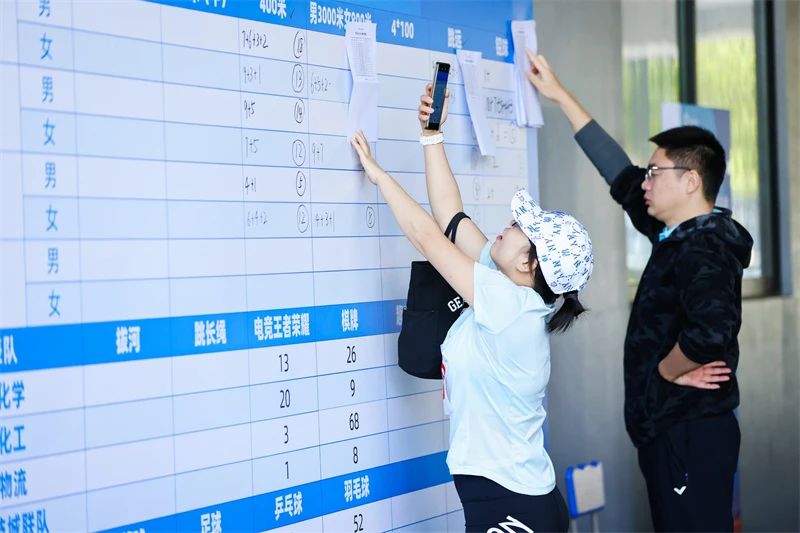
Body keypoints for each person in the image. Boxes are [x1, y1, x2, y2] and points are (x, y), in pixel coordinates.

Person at [347, 83, 593, 532]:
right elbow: (450, 217)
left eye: (519, 227)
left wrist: (380, 177)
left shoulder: (511, 308)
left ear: (529, 263)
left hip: (512, 508)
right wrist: (432, 136)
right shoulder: (512, 292)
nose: (509, 224)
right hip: (515, 501)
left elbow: (429, 238)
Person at [526, 51, 753, 531]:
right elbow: (619, 172)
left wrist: (666, 371)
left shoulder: (706, 247)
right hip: (673, 432)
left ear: (691, 181)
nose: (645, 182)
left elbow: (712, 330)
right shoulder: (674, 233)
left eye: (655, 173)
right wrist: (559, 95)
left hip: (690, 433)